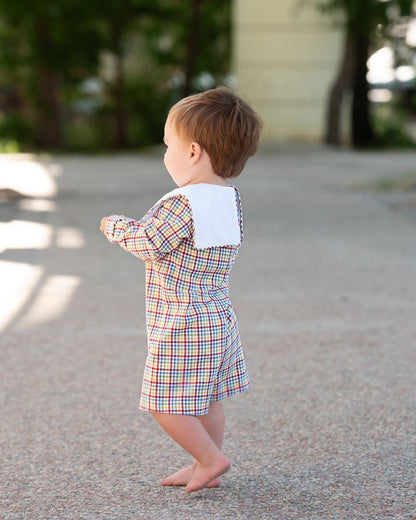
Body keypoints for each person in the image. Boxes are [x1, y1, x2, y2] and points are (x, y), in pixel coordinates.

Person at [100, 86, 263, 493]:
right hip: (217, 314)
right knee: (206, 397)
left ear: (192, 152)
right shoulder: (229, 198)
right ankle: (203, 464)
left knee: (162, 400)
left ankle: (210, 459)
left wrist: (117, 226)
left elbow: (150, 244)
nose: (165, 154)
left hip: (183, 319)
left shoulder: (184, 202)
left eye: (167, 144)